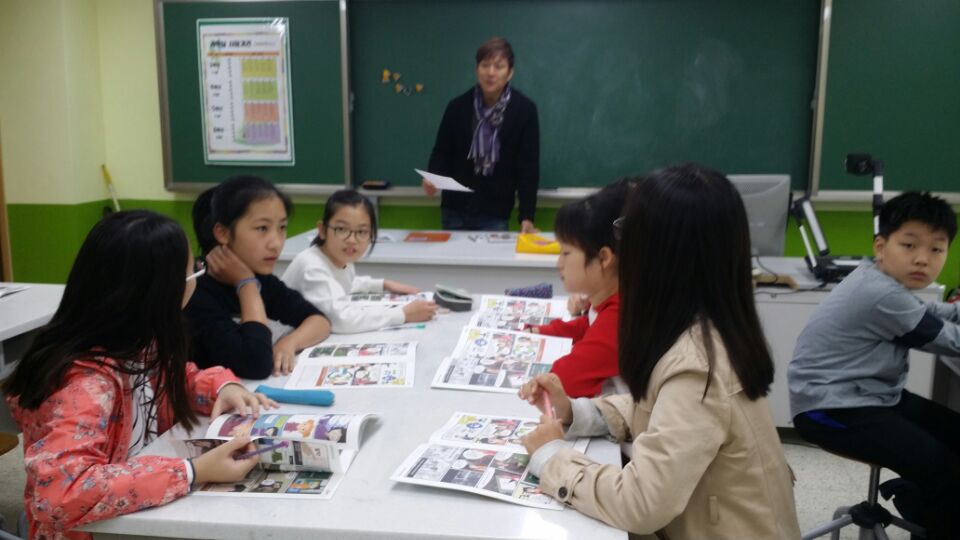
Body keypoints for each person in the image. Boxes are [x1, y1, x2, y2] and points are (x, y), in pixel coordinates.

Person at [519, 164, 800, 539]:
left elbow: (641, 504)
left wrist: (552, 457)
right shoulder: (695, 325)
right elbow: (653, 406)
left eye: (626, 233)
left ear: (662, 255)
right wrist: (577, 411)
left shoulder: (698, 366)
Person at [1, 211, 277, 540]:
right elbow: (61, 492)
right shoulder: (87, 385)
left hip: (138, 509)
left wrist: (221, 386)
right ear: (162, 291)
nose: (195, 279)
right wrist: (190, 471)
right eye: (192, 271)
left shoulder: (134, 340)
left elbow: (175, 377)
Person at [789, 191, 960, 539]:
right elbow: (948, 339)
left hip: (872, 397)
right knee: (943, 467)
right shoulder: (880, 294)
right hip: (832, 408)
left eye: (936, 249)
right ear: (881, 247)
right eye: (909, 246)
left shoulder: (881, 280)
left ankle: (919, 505)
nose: (922, 260)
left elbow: (935, 314)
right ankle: (928, 516)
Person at [185, 176, 331, 379]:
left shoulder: (261, 277)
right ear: (223, 233)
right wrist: (246, 285)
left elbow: (319, 321)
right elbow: (256, 365)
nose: (276, 243)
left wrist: (289, 343)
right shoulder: (194, 291)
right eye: (262, 228)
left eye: (281, 228)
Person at [423, 36, 540, 232]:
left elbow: (528, 168)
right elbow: (442, 152)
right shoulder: (457, 107)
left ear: (510, 73)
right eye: (485, 65)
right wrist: (433, 177)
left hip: (495, 212)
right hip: (454, 209)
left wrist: (527, 216)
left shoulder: (524, 110)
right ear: (477, 69)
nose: (490, 73)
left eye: (498, 66)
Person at [526, 180, 629, 398]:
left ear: (604, 258)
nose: (558, 264)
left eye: (566, 253)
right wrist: (541, 332)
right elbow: (588, 327)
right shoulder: (609, 303)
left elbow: (565, 381)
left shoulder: (620, 316)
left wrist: (542, 380)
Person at [282, 189, 437, 333]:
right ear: (322, 230)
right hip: (278, 347)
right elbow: (342, 319)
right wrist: (403, 314)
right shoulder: (311, 266)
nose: (352, 240)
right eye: (342, 229)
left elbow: (342, 283)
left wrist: (383, 284)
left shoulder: (339, 259)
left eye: (362, 232)